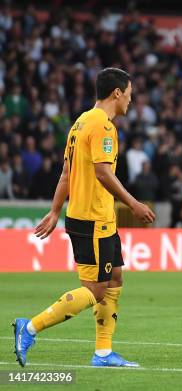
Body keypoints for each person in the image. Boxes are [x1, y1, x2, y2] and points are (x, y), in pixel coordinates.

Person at [13, 68, 156, 367]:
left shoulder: (79, 123)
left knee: (115, 277)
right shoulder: (103, 126)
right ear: (117, 92)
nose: (131, 98)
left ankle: (103, 353)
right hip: (93, 219)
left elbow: (67, 173)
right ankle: (30, 328)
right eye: (129, 92)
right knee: (96, 289)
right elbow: (103, 172)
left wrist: (55, 211)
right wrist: (133, 204)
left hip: (95, 216)